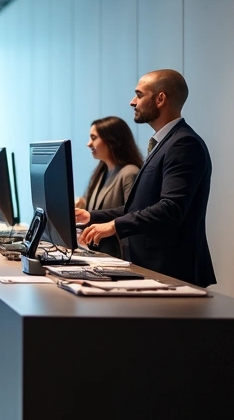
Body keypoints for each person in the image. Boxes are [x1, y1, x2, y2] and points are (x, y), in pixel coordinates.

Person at [79, 70, 216, 287]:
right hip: (154, 268)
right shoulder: (165, 142)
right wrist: (91, 216)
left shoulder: (183, 144)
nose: (132, 102)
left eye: (139, 95)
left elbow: (171, 209)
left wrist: (114, 225)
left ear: (160, 99)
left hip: (173, 271)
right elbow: (140, 206)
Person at [74, 116, 143, 258]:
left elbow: (133, 212)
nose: (88, 143)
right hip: (98, 252)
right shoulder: (101, 172)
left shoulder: (130, 172)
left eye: (94, 138)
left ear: (112, 141)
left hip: (117, 255)